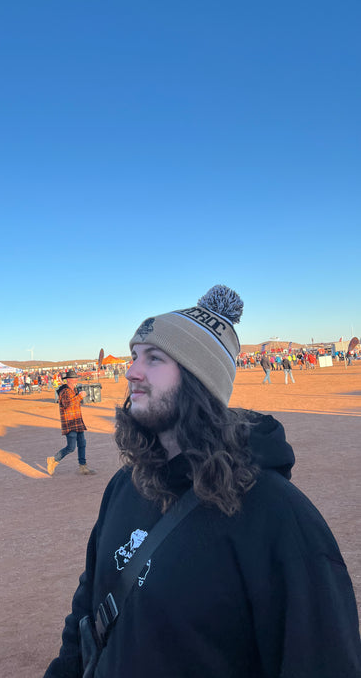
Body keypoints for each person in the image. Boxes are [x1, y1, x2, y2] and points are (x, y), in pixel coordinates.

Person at [44, 285, 361, 678]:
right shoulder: (125, 486)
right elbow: (85, 615)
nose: (131, 371)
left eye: (154, 358)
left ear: (199, 379)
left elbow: (323, 660)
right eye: (134, 356)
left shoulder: (279, 517)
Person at [47, 371, 96, 476]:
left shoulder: (74, 390)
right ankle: (54, 459)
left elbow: (74, 403)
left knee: (82, 444)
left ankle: (83, 467)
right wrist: (80, 396)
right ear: (68, 380)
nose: (76, 380)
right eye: (74, 379)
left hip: (77, 421)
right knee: (71, 447)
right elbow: (67, 404)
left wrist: (79, 396)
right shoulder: (65, 391)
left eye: (76, 378)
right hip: (70, 423)